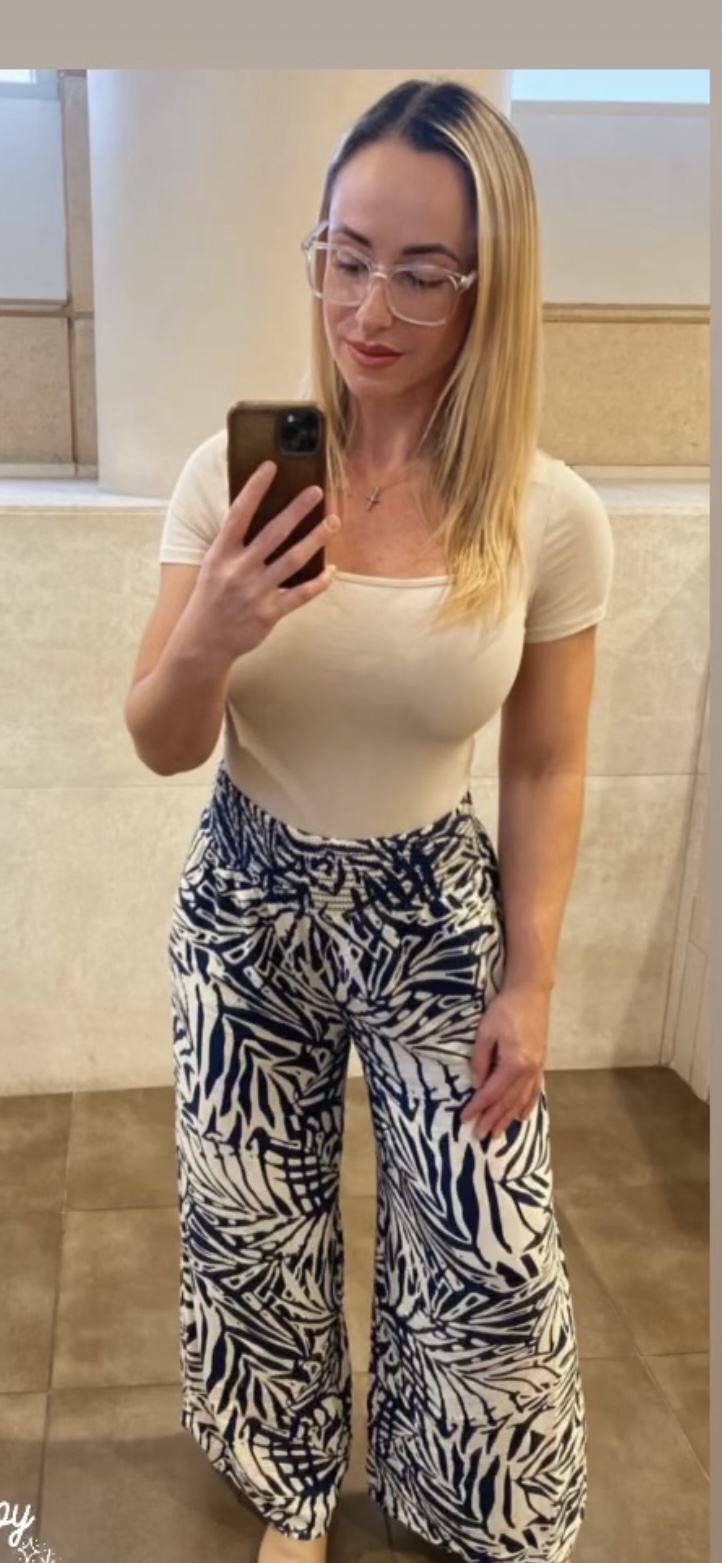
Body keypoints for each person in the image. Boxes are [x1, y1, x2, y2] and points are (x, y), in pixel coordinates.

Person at [124, 77, 613, 1563]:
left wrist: (532, 980)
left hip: (432, 911)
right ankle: (288, 1490)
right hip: (246, 899)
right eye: (344, 257)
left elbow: (545, 765)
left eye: (420, 271)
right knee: (255, 1230)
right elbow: (159, 741)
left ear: (490, 286)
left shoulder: (549, 514)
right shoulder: (228, 478)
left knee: (487, 1250)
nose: (368, 308)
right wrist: (213, 630)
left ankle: (471, 1503)